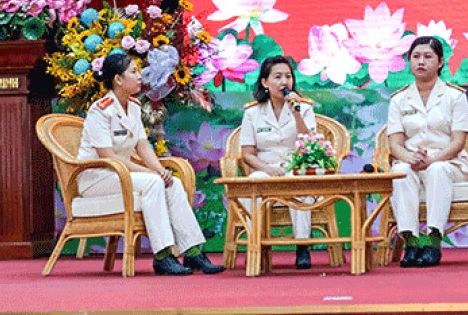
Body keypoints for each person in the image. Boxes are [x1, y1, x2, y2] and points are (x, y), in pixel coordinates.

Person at [77, 53, 224, 276]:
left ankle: (193, 251)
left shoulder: (134, 106)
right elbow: (108, 156)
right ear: (118, 79)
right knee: (153, 183)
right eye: (134, 72)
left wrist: (161, 170)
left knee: (172, 183)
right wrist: (149, 173)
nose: (140, 76)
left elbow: (143, 146)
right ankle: (163, 255)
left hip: (123, 174)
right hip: (97, 178)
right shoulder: (100, 110)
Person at [387, 36, 468, 268]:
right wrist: (409, 158)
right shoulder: (399, 99)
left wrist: (433, 159)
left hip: (450, 162)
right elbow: (395, 144)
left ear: (441, 62)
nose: (421, 62)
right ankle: (412, 242)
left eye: (428, 57)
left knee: (437, 169)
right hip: (412, 161)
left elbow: (458, 142)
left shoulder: (455, 96)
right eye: (416, 57)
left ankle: (434, 241)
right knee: (401, 171)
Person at [239, 55, 317, 269]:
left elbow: (310, 144)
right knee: (252, 185)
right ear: (265, 82)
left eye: (288, 77)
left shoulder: (304, 108)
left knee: (300, 183)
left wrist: (296, 113)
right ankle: (254, 245)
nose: (284, 82)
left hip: (295, 165)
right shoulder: (252, 113)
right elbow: (247, 154)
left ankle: (302, 246)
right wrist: (268, 169)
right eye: (278, 77)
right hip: (265, 167)